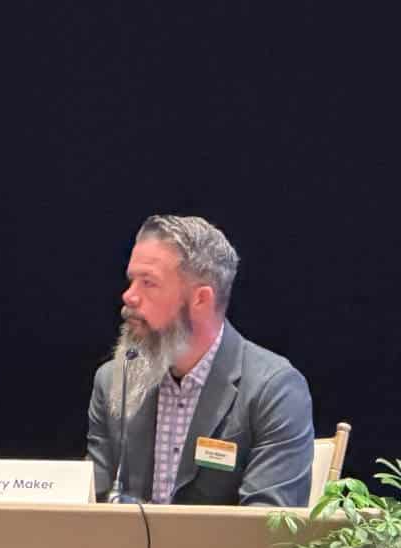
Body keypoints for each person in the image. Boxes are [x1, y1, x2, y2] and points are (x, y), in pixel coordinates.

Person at [87, 215, 313, 507]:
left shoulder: (274, 389)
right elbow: (92, 500)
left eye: (149, 283)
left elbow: (267, 522)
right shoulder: (114, 380)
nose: (129, 296)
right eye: (132, 280)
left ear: (201, 299)